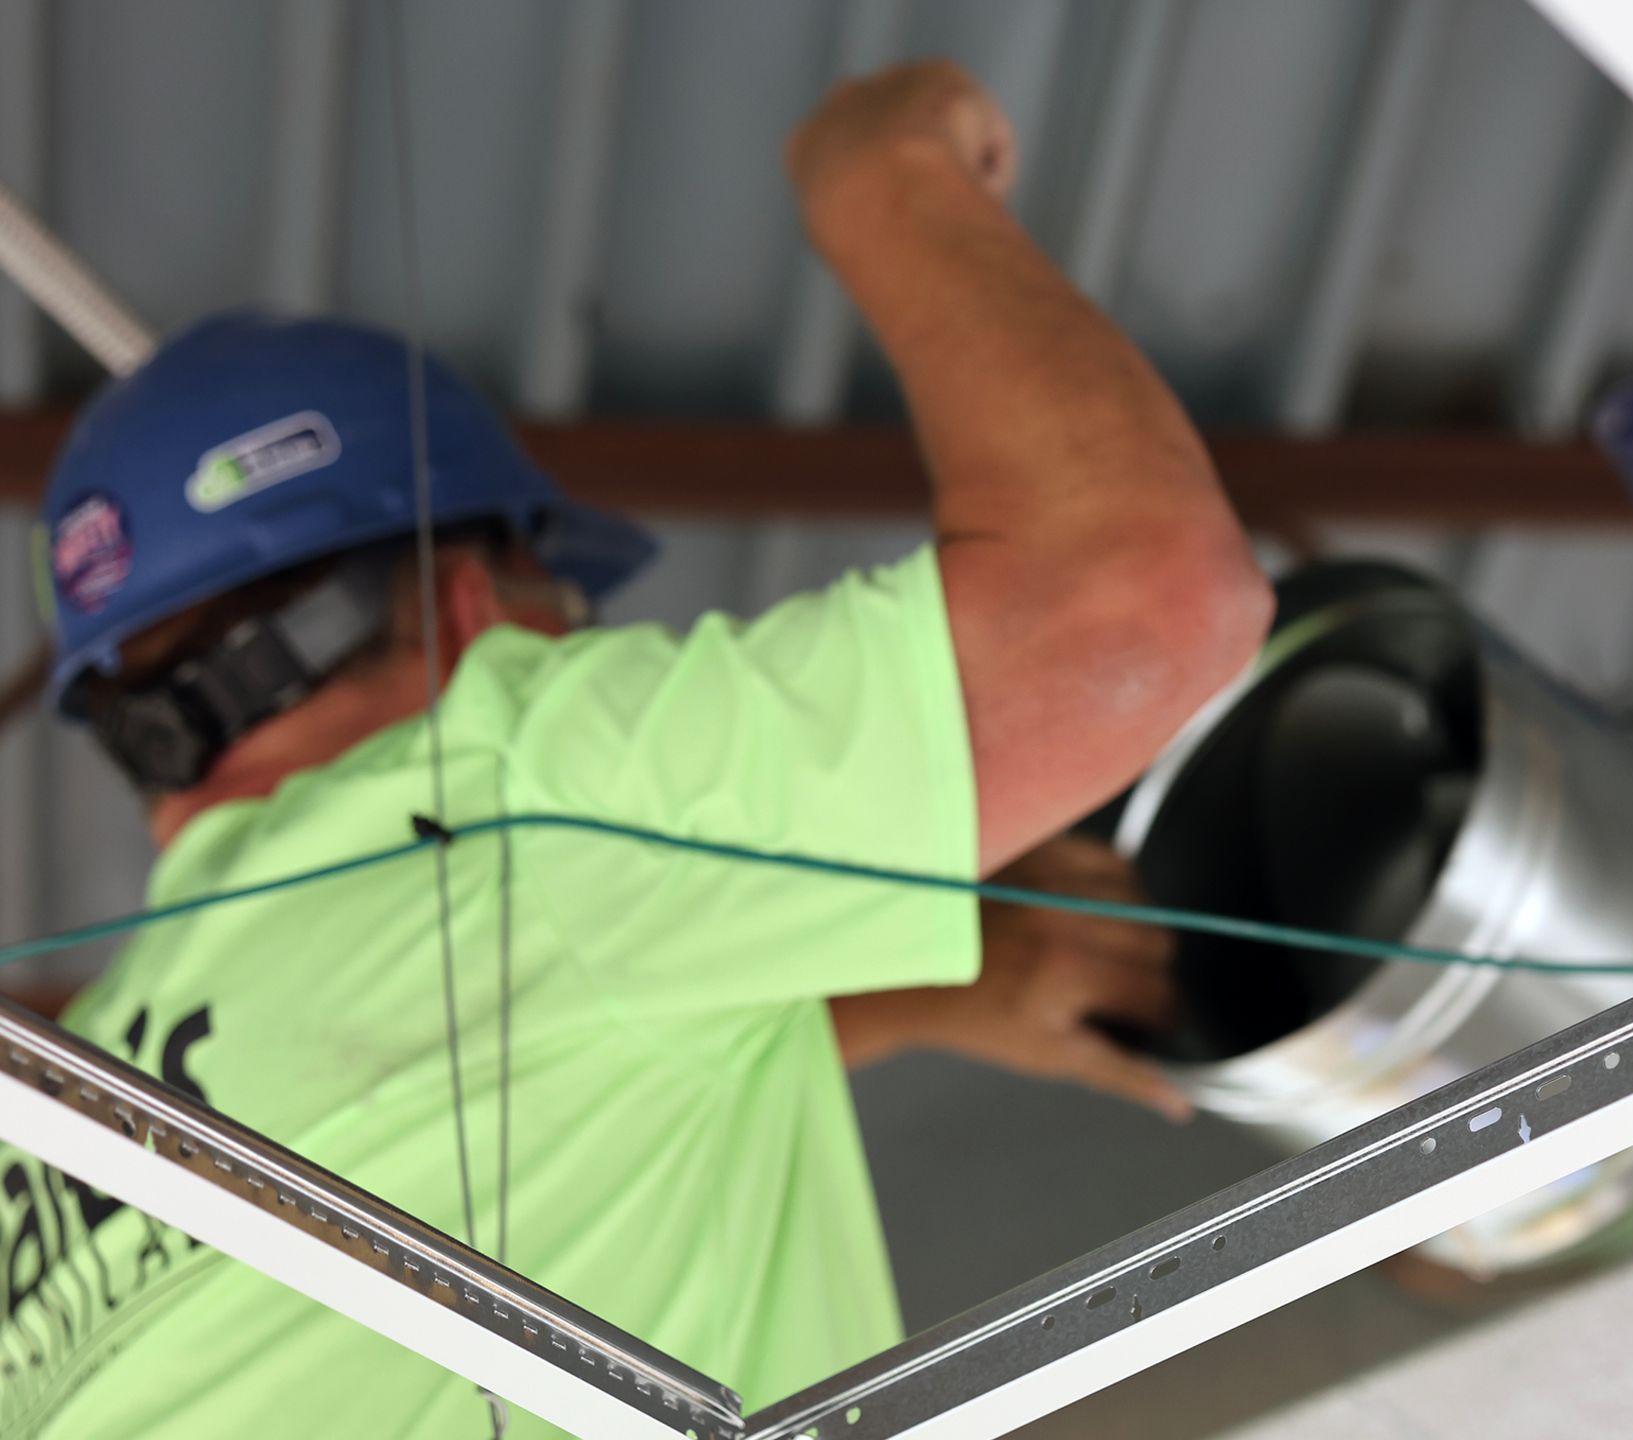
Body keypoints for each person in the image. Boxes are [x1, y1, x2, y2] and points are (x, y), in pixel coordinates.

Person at [0, 61, 1272, 1436]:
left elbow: (481, 1091)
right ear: (476, 605)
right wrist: (885, 174)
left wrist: (884, 990)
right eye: (564, 607)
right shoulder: (515, 780)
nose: (575, 641)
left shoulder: (62, 1116)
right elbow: (1136, 605)